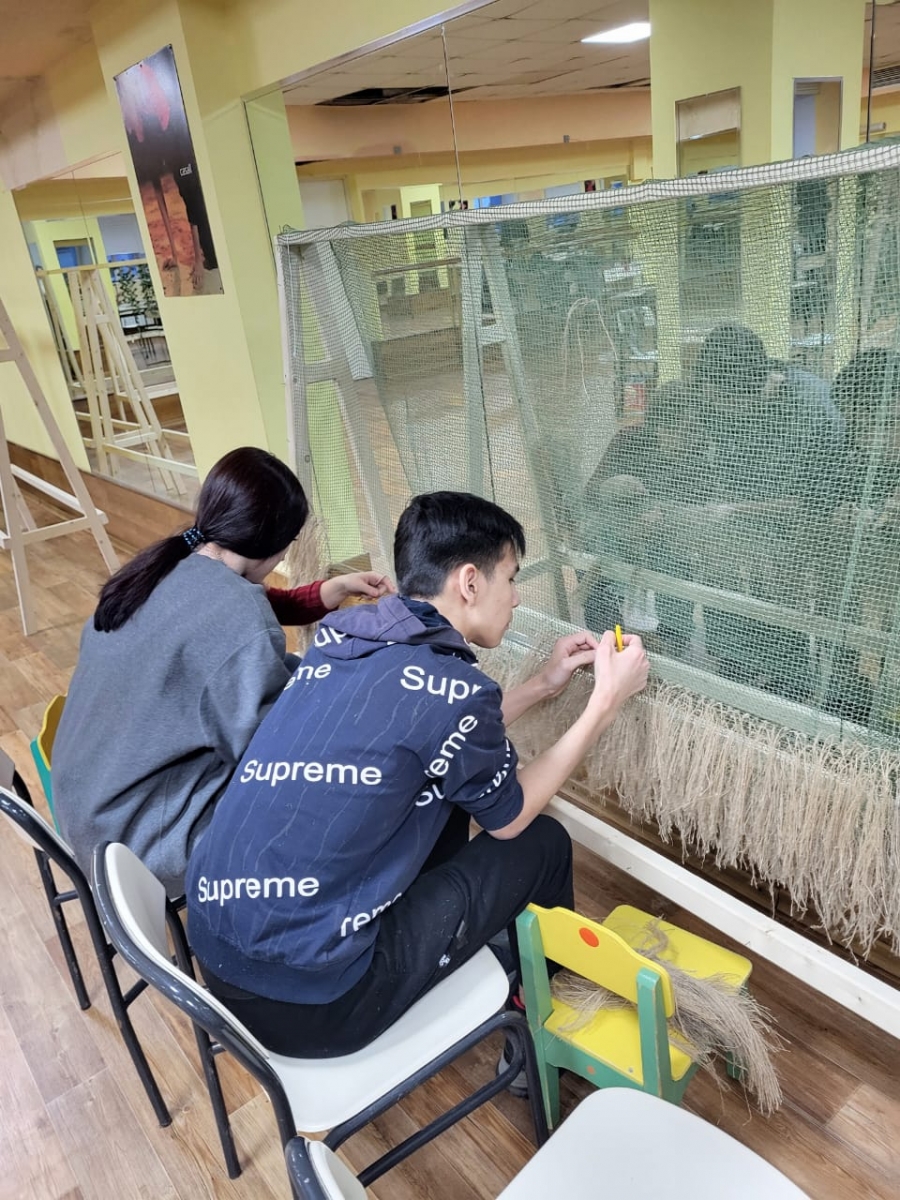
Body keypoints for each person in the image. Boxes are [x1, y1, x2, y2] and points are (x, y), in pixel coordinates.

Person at [186, 490, 649, 1058]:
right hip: (317, 1005)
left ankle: (468, 952)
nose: (516, 596)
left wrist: (543, 686)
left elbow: (426, 733)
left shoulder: (347, 637)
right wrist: (604, 702)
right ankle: (533, 1032)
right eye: (511, 578)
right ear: (470, 582)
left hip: (219, 963)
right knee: (544, 842)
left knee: (440, 793)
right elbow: (507, 818)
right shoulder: (455, 688)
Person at [53, 446, 392, 896]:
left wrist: (333, 589)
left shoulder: (162, 567)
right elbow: (271, 759)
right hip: (137, 844)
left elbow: (247, 610)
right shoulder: (237, 616)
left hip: (85, 806)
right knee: (333, 788)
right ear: (276, 545)